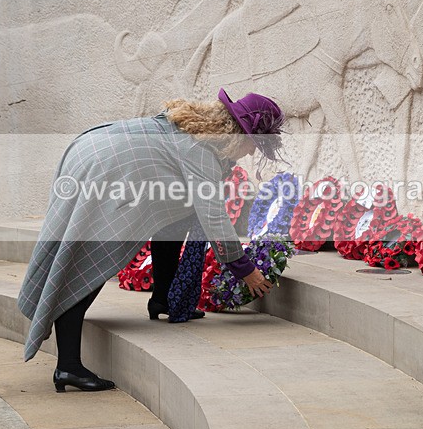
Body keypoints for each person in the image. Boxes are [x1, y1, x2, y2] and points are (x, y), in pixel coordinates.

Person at [18, 89, 284, 392]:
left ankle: (163, 297)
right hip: (107, 171)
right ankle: (68, 366)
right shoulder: (202, 150)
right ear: (238, 134)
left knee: (176, 214)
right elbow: (213, 215)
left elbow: (182, 212)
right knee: (86, 265)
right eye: (255, 143)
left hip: (92, 150)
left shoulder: (195, 128)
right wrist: (243, 268)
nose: (251, 153)